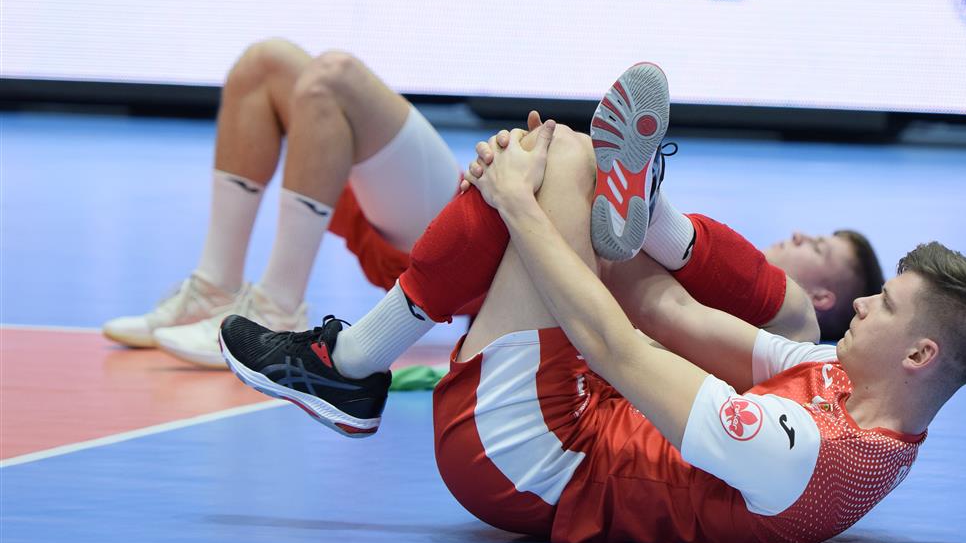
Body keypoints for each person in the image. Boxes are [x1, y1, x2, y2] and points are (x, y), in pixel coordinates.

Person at [219, 63, 966, 543]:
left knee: (539, 170)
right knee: (558, 155)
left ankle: (348, 364)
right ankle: (644, 207)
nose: (866, 306)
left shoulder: (808, 449)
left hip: (528, 461)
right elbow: (667, 313)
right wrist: (596, 194)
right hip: (575, 420)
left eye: (886, 303)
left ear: (920, 354)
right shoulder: (835, 378)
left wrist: (518, 203)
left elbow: (614, 345)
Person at [103, 41, 880, 367]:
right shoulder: (729, 274)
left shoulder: (778, 317)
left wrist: (525, 183)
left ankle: (276, 307)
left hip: (494, 260)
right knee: (267, 64)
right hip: (484, 220)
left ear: (826, 293)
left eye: (820, 246)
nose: (800, 232)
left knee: (332, 77)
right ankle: (213, 285)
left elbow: (633, 321)